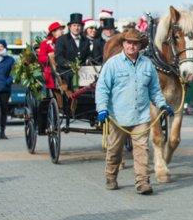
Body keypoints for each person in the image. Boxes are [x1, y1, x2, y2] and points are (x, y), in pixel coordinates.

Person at [95, 28, 173, 195]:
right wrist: (102, 108)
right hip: (118, 117)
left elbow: (154, 89)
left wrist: (162, 104)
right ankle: (110, 175)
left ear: (140, 46)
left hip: (141, 117)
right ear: (123, 44)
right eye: (128, 42)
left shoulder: (147, 64)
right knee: (115, 150)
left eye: (135, 43)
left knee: (142, 150)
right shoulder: (112, 64)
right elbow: (102, 88)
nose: (131, 46)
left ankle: (142, 182)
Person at [54, 13, 90, 89]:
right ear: (70, 27)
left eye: (79, 26)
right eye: (74, 25)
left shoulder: (86, 40)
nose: (76, 28)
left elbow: (88, 55)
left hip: (83, 70)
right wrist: (71, 65)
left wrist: (88, 59)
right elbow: (59, 58)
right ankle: (75, 97)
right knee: (73, 76)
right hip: (66, 70)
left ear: (81, 27)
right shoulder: (61, 40)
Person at [38, 22, 65, 90]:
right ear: (53, 32)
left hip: (65, 67)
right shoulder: (45, 43)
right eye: (60, 30)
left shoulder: (66, 42)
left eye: (62, 29)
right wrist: (51, 57)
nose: (63, 31)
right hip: (52, 70)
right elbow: (41, 58)